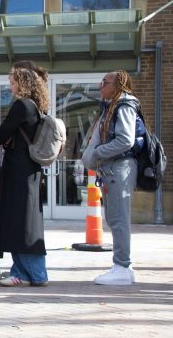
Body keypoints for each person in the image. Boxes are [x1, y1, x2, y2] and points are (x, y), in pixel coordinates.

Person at [0, 61, 49, 287]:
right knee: (27, 220)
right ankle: (25, 271)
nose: (10, 85)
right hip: (29, 169)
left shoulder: (21, 106)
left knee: (20, 221)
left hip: (17, 170)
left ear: (22, 83)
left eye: (12, 81)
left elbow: (2, 134)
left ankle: (29, 273)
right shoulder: (37, 106)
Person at [82, 70, 139, 285]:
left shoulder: (123, 106)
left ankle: (122, 267)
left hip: (119, 168)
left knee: (118, 218)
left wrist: (97, 153)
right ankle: (124, 266)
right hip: (115, 169)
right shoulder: (114, 105)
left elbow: (126, 140)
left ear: (117, 86)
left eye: (105, 82)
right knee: (116, 217)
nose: (100, 85)